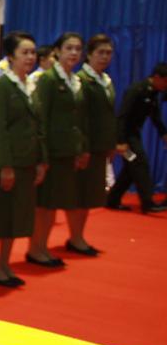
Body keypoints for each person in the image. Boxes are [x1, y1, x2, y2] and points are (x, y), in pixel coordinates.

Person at [0, 32, 46, 287]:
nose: (30, 57)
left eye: (33, 53)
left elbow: (38, 126)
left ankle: (5, 262)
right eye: (24, 53)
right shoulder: (2, 86)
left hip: (27, 161)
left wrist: (41, 160)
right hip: (7, 162)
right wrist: (5, 165)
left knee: (15, 216)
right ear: (10, 56)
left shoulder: (31, 85)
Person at [28, 32, 87, 267]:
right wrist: (42, 156)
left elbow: (77, 119)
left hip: (66, 152)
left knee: (53, 204)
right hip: (51, 152)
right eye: (69, 48)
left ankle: (43, 246)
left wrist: (79, 148)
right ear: (57, 51)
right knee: (44, 206)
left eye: (78, 49)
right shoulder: (49, 80)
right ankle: (36, 248)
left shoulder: (75, 81)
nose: (74, 53)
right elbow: (41, 119)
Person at [71, 35, 117, 251]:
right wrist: (83, 148)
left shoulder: (106, 80)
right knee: (81, 195)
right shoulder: (82, 80)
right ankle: (75, 238)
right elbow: (81, 119)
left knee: (89, 196)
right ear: (89, 55)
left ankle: (79, 236)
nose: (105, 57)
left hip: (100, 146)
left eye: (108, 53)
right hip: (87, 147)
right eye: (100, 52)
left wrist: (111, 142)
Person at [106, 63, 167, 213]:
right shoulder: (137, 90)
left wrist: (164, 134)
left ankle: (112, 200)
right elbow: (122, 117)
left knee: (131, 167)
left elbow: (155, 117)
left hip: (134, 135)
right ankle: (148, 202)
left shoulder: (153, 93)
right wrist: (120, 141)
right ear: (157, 77)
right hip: (125, 137)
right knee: (139, 163)